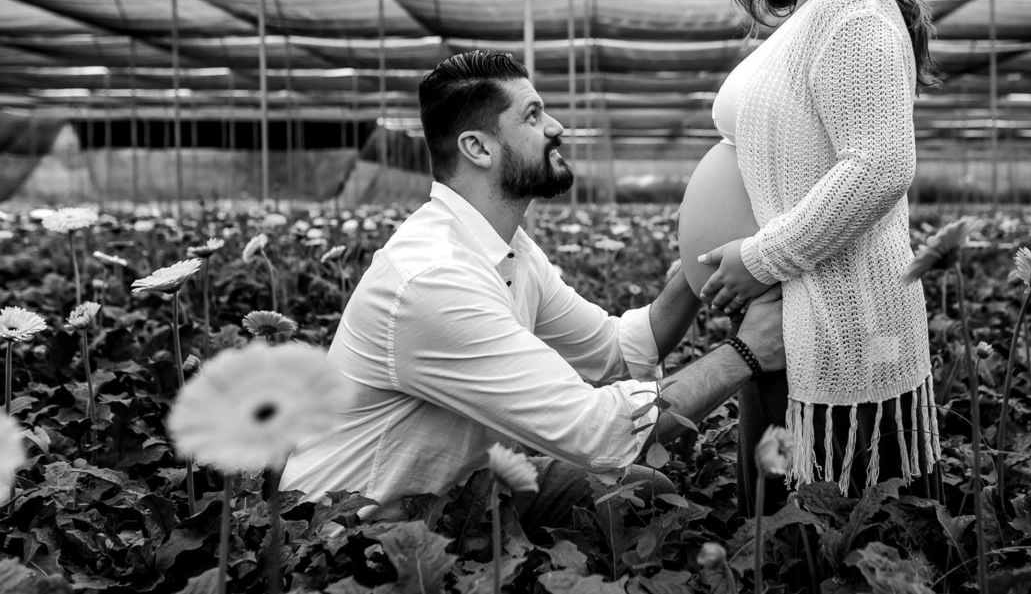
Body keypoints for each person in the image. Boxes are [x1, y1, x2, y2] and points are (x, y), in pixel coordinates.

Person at [281, 49, 785, 530]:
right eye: (532, 116)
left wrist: (701, 264)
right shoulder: (432, 279)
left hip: (461, 492)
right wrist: (748, 351)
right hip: (357, 529)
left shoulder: (509, 247)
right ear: (477, 148)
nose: (556, 128)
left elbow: (614, 351)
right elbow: (597, 432)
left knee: (643, 489)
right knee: (618, 477)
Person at [696, 0, 943, 510]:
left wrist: (761, 256)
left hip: (841, 332)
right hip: (784, 319)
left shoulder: (853, 9)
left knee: (832, 543)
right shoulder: (810, 20)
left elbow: (879, 163)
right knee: (783, 544)